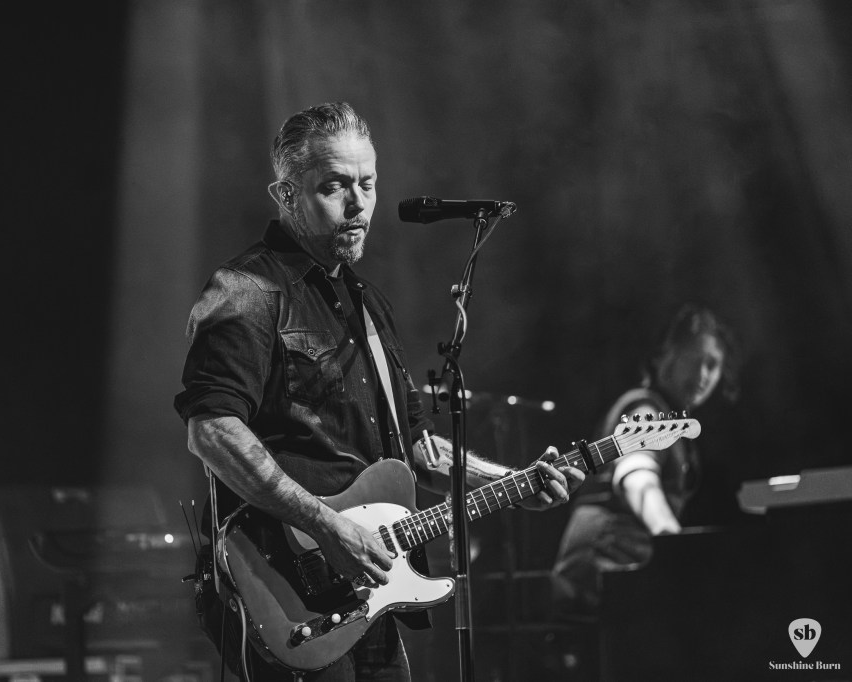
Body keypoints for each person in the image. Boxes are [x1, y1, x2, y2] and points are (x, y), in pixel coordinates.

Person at [174, 101, 586, 682]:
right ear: (286, 195)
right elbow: (211, 429)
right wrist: (324, 525)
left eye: (367, 183)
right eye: (335, 187)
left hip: (368, 593)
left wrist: (514, 483)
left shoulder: (369, 305)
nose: (359, 204)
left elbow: (417, 448)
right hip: (283, 589)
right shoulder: (248, 290)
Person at [551, 303, 740, 615]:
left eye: (713, 365)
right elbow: (636, 477)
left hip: (620, 573)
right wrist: (673, 541)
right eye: (693, 359)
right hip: (599, 575)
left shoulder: (671, 420)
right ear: (664, 355)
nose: (702, 374)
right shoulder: (645, 410)